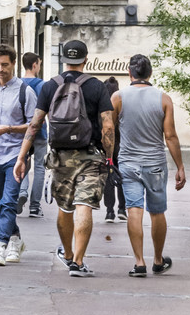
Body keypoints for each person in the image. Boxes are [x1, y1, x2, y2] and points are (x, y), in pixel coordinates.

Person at [14, 37, 117, 277]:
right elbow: (108, 126)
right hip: (91, 156)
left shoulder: (50, 86)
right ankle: (78, 263)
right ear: (85, 59)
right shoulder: (96, 87)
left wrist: (22, 157)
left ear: (64, 60)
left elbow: (35, 124)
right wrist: (109, 157)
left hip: (60, 157)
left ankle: (68, 254)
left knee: (65, 206)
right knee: (85, 206)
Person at [117, 53, 187, 276]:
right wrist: (180, 166)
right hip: (155, 163)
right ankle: (157, 259)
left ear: (130, 73)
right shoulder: (163, 98)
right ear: (150, 74)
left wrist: (109, 157)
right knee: (157, 212)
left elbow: (107, 130)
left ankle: (139, 262)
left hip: (128, 162)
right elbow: (171, 136)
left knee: (133, 209)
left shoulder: (117, 98)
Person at [0, 41, 30, 265]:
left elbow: (33, 126)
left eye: (4, 65)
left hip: (16, 156)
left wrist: (8, 128)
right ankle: (15, 238)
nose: (0, 69)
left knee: (8, 202)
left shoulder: (24, 91)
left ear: (13, 64)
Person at [20, 52, 47, 218]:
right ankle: (35, 206)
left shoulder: (18, 84)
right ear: (35, 65)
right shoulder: (42, 85)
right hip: (41, 132)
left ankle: (22, 192)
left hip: (21, 131)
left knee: (21, 163)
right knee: (39, 167)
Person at [102, 75, 127, 221]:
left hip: (107, 147)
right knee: (121, 177)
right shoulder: (120, 103)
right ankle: (122, 209)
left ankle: (109, 211)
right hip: (122, 146)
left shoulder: (103, 106)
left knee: (109, 178)